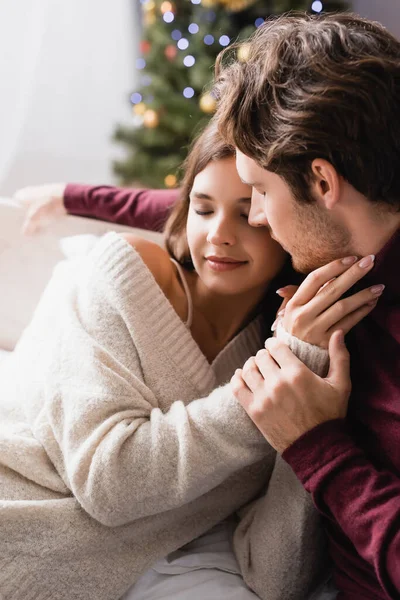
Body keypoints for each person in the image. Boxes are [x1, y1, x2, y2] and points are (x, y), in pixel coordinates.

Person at [0, 120, 378, 600]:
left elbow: (277, 577)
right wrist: (275, 380)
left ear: (284, 224)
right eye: (202, 209)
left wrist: (305, 418)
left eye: (247, 214)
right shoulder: (124, 273)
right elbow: (109, 482)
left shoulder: (283, 353)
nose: (218, 234)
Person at [211, 11, 400, 600]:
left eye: (261, 192)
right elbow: (185, 218)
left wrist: (316, 446)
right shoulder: (345, 251)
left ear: (322, 182)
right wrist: (69, 198)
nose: (258, 220)